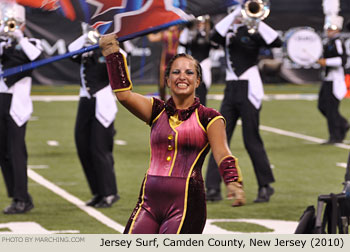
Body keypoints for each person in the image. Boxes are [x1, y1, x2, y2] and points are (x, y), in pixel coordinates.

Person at [99, 33, 245, 234]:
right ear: (167, 80)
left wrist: (233, 181)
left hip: (186, 204)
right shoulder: (156, 110)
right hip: (148, 202)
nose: (182, 77)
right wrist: (112, 54)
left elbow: (222, 153)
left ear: (198, 81)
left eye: (189, 72)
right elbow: (124, 96)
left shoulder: (209, 117)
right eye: (175, 72)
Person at [205, 5, 282, 203]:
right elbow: (214, 35)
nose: (240, 16)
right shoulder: (227, 33)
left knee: (251, 139)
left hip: (250, 87)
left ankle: (265, 186)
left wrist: (255, 19)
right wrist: (232, 15)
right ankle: (212, 188)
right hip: (231, 89)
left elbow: (276, 41)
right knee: (219, 138)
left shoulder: (255, 32)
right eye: (237, 13)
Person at [68, 24, 120, 208]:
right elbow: (70, 51)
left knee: (100, 148)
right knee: (83, 147)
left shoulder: (111, 49)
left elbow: (121, 60)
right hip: (85, 101)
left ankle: (110, 192)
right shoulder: (85, 48)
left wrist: (106, 40)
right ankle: (98, 192)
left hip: (102, 102)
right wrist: (87, 36)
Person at [0, 2, 42, 214]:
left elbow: (36, 57)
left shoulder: (31, 42)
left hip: (16, 103)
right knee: (3, 152)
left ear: (23, 24)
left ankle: (22, 198)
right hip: (0, 101)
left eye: (16, 23)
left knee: (16, 152)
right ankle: (16, 196)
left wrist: (18, 37)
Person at [317, 15, 349, 144]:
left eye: (332, 28)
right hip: (328, 78)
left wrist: (326, 61)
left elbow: (342, 60)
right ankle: (343, 123)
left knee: (331, 108)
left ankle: (336, 136)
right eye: (328, 28)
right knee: (322, 106)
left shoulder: (338, 42)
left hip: (335, 79)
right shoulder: (328, 42)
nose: (329, 31)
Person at [178, 16, 215, 106]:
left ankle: (202, 107)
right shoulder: (190, 33)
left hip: (205, 61)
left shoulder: (209, 34)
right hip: (192, 62)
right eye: (197, 23)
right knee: (190, 85)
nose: (199, 25)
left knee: (205, 84)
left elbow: (215, 46)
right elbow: (182, 44)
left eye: (201, 23)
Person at [148, 25, 180, 101]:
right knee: (162, 85)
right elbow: (152, 38)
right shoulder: (165, 33)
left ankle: (174, 104)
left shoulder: (179, 33)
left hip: (175, 62)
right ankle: (163, 103)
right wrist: (147, 29)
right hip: (164, 62)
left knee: (174, 84)